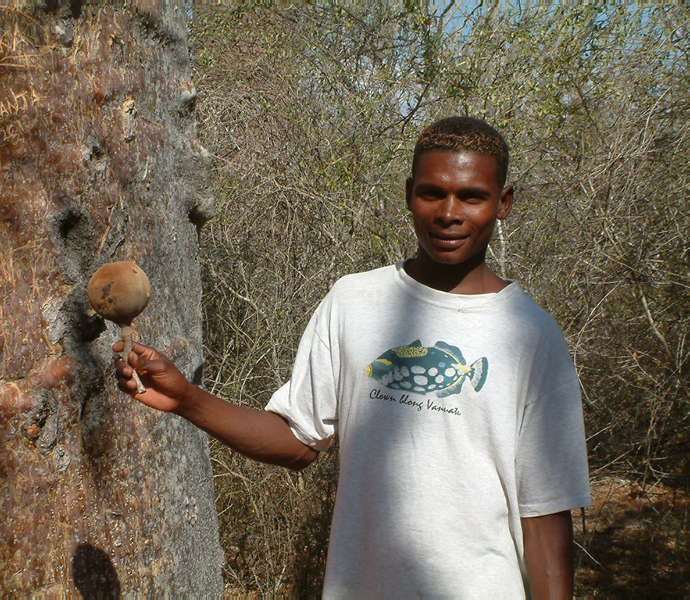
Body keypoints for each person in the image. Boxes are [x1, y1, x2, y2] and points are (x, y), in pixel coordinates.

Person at [114, 116, 591, 598]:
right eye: (432, 193)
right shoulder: (353, 301)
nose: (449, 213)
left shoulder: (533, 336)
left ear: (503, 203)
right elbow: (299, 440)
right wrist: (185, 399)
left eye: (472, 196)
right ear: (409, 194)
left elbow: (545, 515)